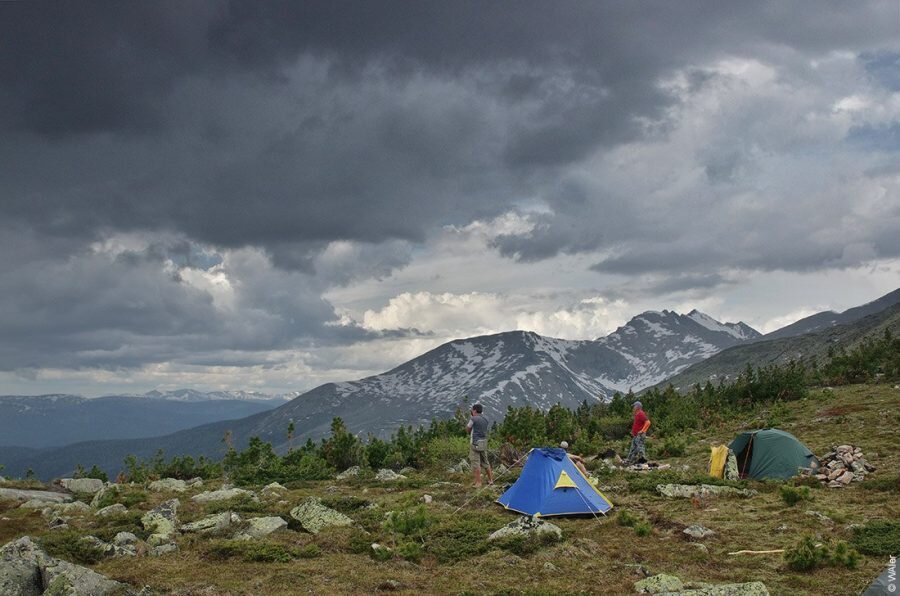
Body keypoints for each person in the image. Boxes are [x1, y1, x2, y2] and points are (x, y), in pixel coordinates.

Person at [466, 403, 493, 488]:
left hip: (475, 443)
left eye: (472, 410)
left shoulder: (473, 418)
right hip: (483, 442)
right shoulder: (486, 418)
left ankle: (478, 483)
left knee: (476, 463)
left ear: (474, 410)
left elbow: (468, 429)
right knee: (485, 462)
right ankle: (490, 480)